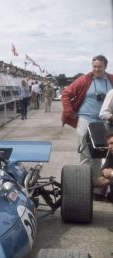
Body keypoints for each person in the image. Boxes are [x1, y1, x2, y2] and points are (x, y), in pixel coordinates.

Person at [61, 55, 113, 190]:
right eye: (94, 66)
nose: (96, 69)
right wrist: (69, 112)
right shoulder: (84, 79)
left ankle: (96, 186)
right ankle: (85, 184)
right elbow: (65, 94)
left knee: (99, 153)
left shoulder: (111, 79)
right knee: (85, 152)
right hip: (85, 119)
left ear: (105, 67)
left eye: (100, 67)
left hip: (104, 121)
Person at [93, 132, 113, 202]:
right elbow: (104, 175)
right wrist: (86, 183)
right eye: (109, 144)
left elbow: (109, 174)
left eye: (112, 143)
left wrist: (112, 173)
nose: (110, 147)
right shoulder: (111, 153)